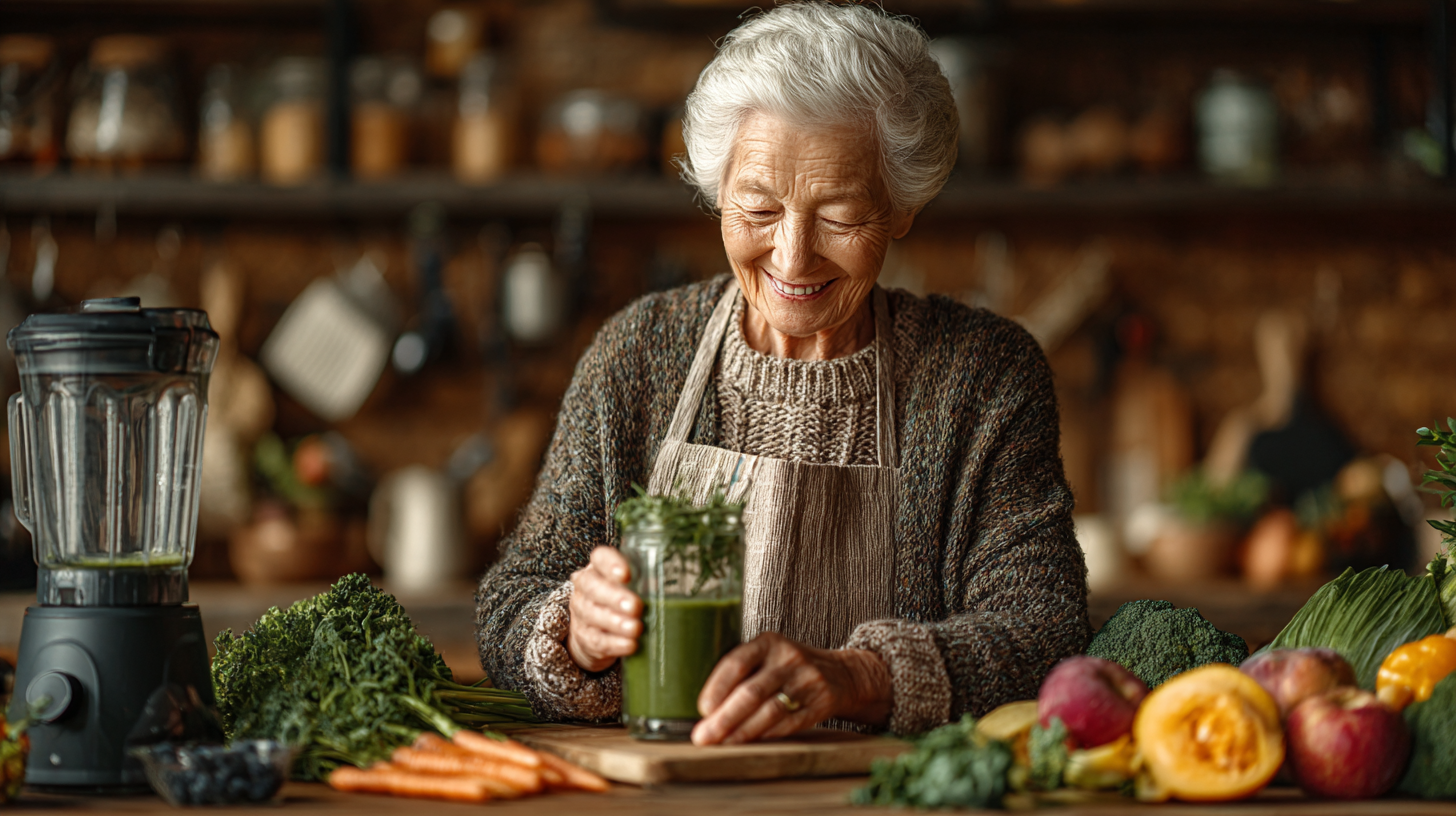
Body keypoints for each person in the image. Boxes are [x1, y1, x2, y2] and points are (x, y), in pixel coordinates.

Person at [475, 1, 1088, 745]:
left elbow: (1043, 631)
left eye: (840, 216)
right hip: (665, 790)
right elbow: (509, 606)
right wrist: (573, 630)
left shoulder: (983, 376)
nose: (793, 258)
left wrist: (862, 677)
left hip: (885, 792)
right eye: (759, 210)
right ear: (718, 193)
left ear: (901, 207)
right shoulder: (637, 353)